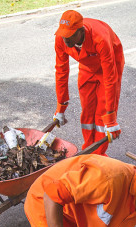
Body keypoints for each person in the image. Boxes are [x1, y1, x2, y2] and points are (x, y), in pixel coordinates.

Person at [53, 10, 125, 156]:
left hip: (109, 66)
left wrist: (111, 119)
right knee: (87, 110)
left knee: (102, 113)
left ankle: (98, 155)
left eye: (70, 35)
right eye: (63, 34)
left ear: (81, 31)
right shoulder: (61, 40)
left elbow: (110, 78)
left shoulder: (100, 38)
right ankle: (88, 150)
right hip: (87, 66)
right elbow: (61, 72)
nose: (66, 39)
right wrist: (60, 108)